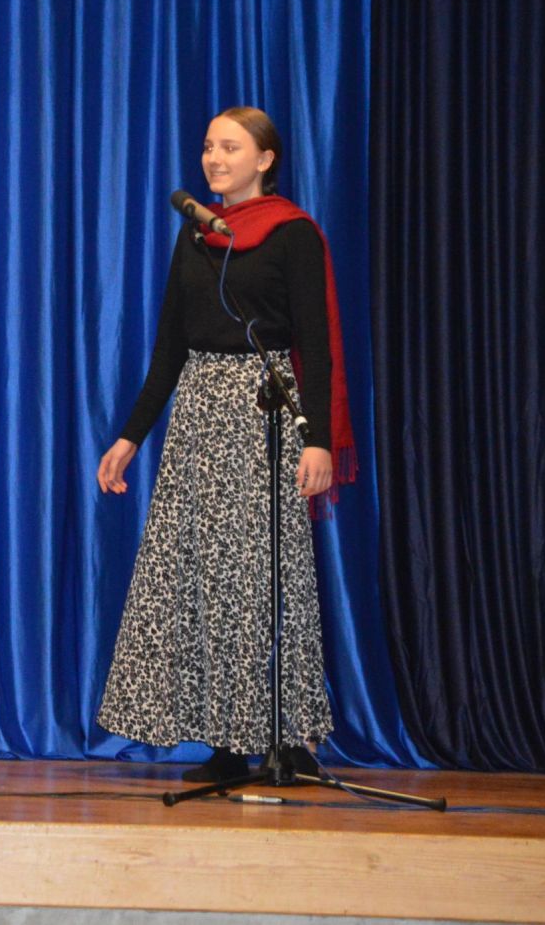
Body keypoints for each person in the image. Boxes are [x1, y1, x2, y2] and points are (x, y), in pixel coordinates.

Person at [95, 106, 357, 782]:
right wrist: (130, 435)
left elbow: (316, 346)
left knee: (264, 578)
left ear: (265, 159)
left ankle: (285, 736)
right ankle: (224, 742)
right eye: (209, 146)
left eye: (230, 147)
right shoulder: (196, 235)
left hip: (266, 413)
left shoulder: (293, 234)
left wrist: (317, 440)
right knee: (201, 578)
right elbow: (168, 348)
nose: (214, 158)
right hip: (198, 419)